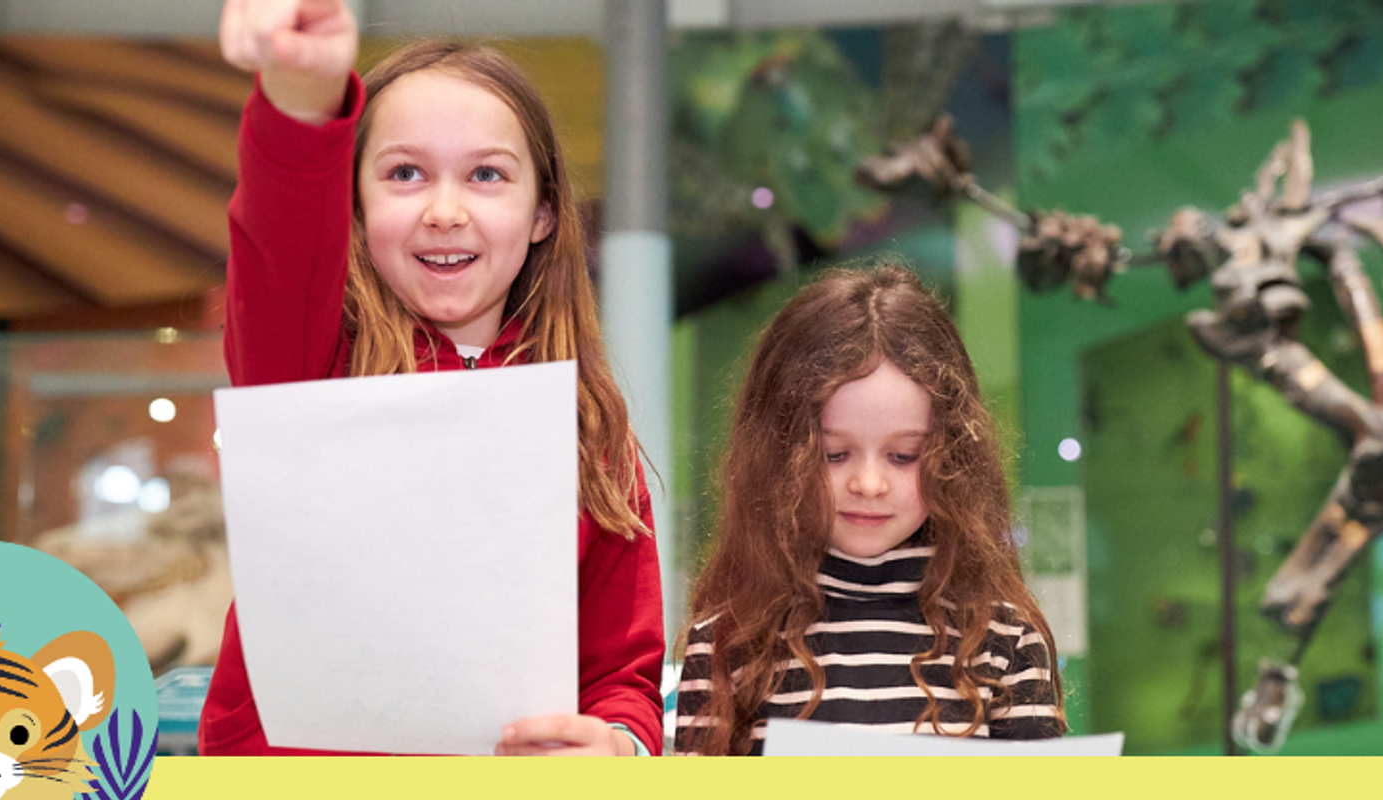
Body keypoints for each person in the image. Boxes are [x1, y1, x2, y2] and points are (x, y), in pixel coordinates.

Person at [202, 0, 662, 756]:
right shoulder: (305, 367)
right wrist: (300, 99)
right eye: (405, 173)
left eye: (486, 175)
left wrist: (617, 745)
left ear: (543, 211)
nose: (445, 211)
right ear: (352, 205)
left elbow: (620, 672)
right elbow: (280, 235)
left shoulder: (588, 432)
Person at [673, 265, 1064, 755]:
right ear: (776, 457)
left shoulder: (1004, 639)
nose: (869, 484)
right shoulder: (729, 643)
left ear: (953, 458)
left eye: (904, 456)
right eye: (833, 454)